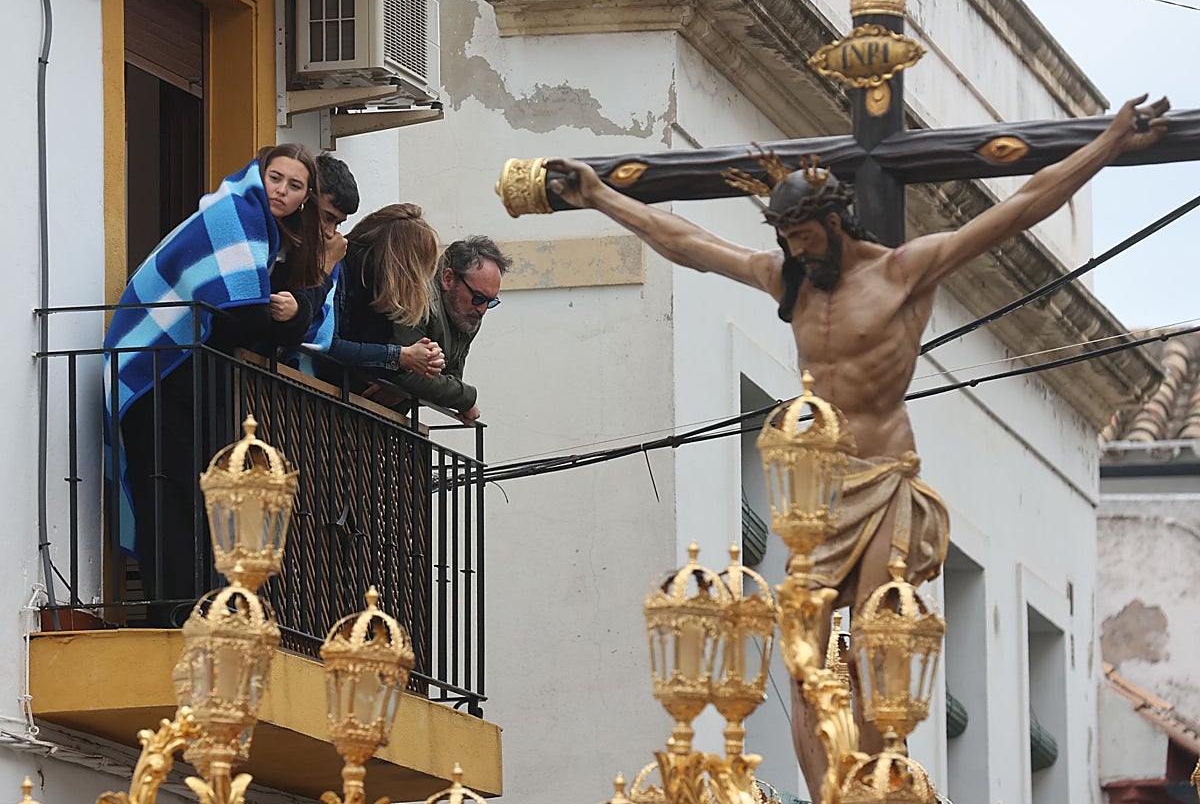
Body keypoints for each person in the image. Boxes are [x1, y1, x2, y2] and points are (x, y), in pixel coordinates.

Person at [544, 94, 1169, 791]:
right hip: (821, 502)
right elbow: (687, 244)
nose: (795, 250)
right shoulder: (789, 281)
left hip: (886, 480)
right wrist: (600, 197)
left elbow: (1019, 207)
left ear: (834, 221)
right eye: (785, 237)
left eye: (804, 236)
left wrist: (1109, 142)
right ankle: (831, 791)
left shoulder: (903, 272)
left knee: (878, 639)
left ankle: (875, 778)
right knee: (801, 651)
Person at [105, 143, 330, 626]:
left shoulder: (264, 236)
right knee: (166, 489)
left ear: (304, 198)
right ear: (259, 175)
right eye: (276, 178)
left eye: (295, 186)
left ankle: (191, 600)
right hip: (156, 373)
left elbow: (257, 323)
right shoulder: (232, 215)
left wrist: (300, 308)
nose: (282, 191)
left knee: (192, 490)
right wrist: (300, 312)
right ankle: (171, 605)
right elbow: (245, 320)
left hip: (183, 373)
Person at [371, 235, 512, 423]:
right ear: (448, 278)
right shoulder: (418, 299)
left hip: (384, 418)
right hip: (350, 399)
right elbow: (405, 373)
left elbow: (449, 379)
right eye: (478, 297)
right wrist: (467, 398)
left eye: (490, 301)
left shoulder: (467, 316)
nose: (483, 309)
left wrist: (409, 390)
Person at [325, 203, 448, 380]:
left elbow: (368, 355)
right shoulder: (340, 269)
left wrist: (419, 360)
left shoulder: (375, 288)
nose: (419, 280)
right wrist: (402, 357)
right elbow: (329, 345)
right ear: (403, 264)